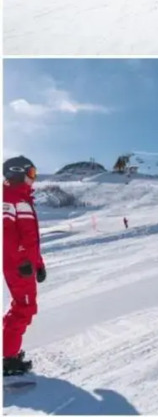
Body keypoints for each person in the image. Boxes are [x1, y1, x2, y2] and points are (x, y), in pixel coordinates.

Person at [3, 156, 44, 377]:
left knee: (23, 308)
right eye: (31, 173)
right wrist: (23, 261)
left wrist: (39, 263)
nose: (33, 178)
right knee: (23, 309)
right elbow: (7, 236)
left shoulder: (21, 198)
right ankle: (8, 361)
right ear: (17, 172)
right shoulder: (9, 198)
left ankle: (8, 350)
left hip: (24, 265)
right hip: (17, 266)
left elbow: (30, 239)